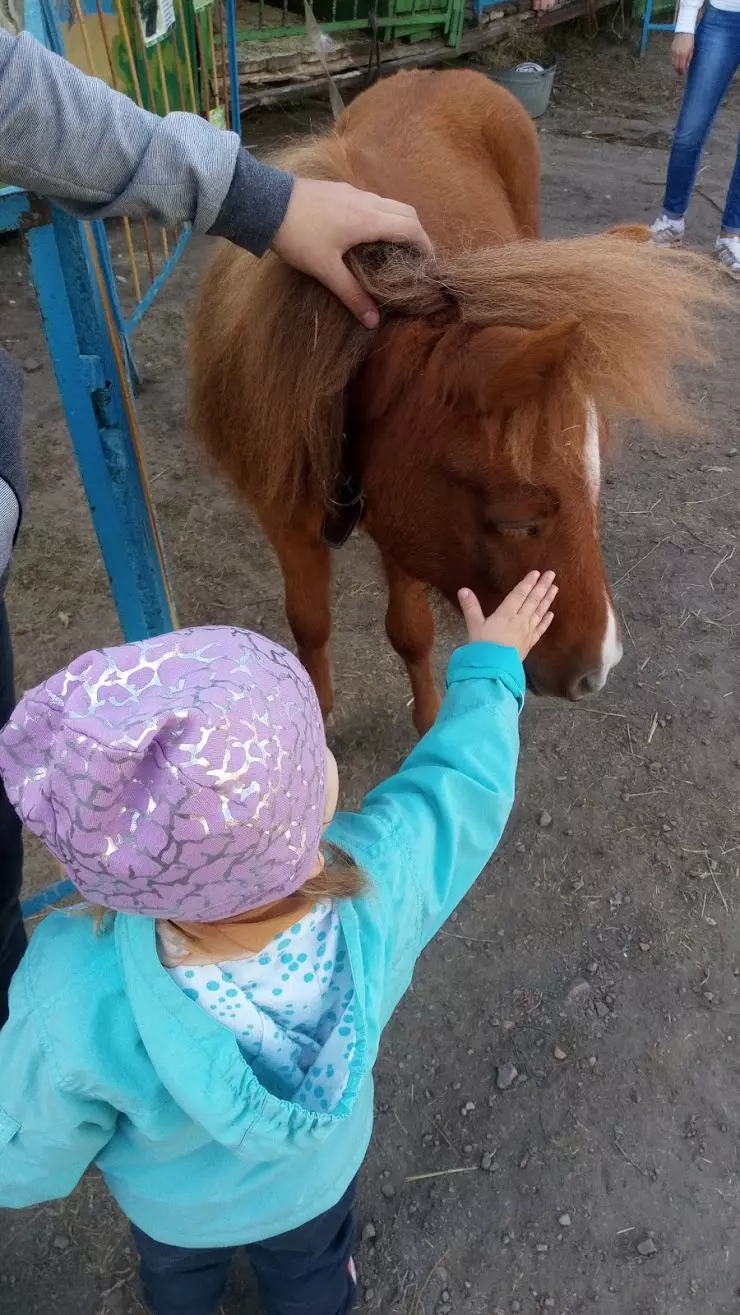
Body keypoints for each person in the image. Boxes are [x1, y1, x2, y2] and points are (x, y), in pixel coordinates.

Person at [0, 27, 431, 1024]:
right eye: (315, 782)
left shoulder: (85, 997)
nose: (332, 781)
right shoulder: (364, 942)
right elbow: (447, 816)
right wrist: (489, 678)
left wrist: (255, 202)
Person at [0, 570, 556, 1315]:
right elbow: (458, 788)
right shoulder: (380, 879)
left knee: (174, 1277)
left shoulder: (70, 986)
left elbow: (25, 1158)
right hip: (314, 1184)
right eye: (313, 762)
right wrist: (492, 667)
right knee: (312, 1268)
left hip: (172, 1212)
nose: (327, 766)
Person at [649, 0, 740, 279]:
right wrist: (685, 25)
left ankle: (731, 236)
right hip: (722, 18)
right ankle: (672, 221)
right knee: (689, 132)